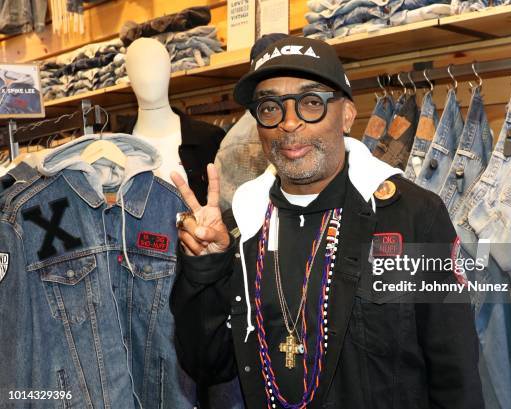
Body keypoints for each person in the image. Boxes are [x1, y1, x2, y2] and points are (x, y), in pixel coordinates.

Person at [169, 36, 484, 409]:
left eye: (311, 103)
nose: (288, 123)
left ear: (347, 114)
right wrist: (205, 268)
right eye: (270, 107)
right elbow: (208, 365)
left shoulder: (413, 216)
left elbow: (456, 376)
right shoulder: (241, 227)